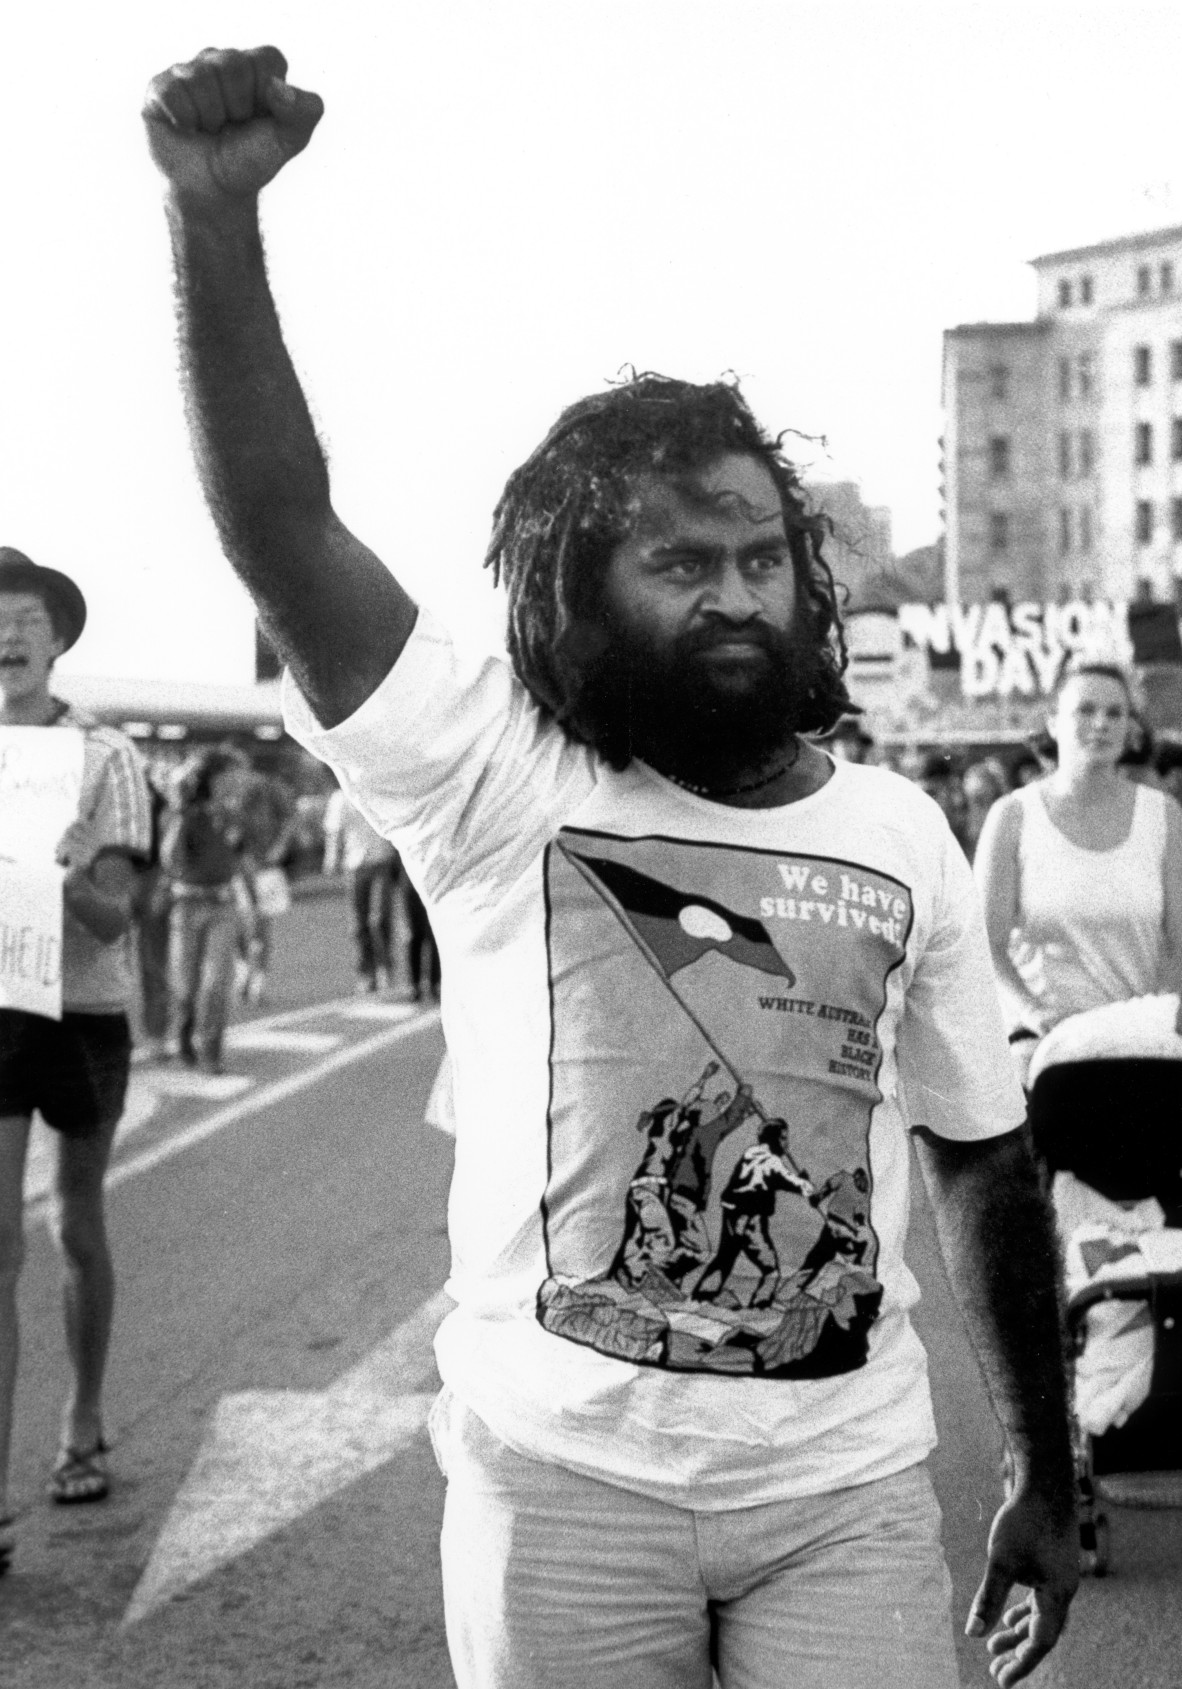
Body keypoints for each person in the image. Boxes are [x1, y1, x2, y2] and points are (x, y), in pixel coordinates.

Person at [143, 48, 1079, 1687]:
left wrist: (1042, 1469)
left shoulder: (896, 829)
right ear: (581, 588)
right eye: (675, 560)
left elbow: (982, 1164)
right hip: (557, 1490)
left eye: (757, 557)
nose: (731, 594)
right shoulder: (495, 770)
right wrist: (210, 228)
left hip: (844, 1499)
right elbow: (283, 532)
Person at [0, 548, 152, 1570]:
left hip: (84, 1011)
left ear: (57, 636)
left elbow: (117, 915)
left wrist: (56, 866)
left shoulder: (106, 756)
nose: (7, 634)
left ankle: (84, 1418)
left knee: (78, 1229)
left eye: (24, 617)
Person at [975, 663, 1182, 1062]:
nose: (1101, 724)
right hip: (1040, 1043)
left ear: (1130, 728)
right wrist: (1034, 1013)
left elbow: (1180, 941)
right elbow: (985, 944)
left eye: (1115, 713)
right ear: (1053, 723)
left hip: (1135, 1041)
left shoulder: (1165, 816)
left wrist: (1157, 1015)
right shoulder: (1013, 815)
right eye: (1085, 710)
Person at [159, 746, 248, 1072]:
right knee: (185, 985)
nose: (235, 784)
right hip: (187, 905)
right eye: (229, 777)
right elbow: (171, 860)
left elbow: (238, 857)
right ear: (209, 778)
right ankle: (184, 1038)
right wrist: (184, 814)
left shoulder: (232, 814)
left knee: (216, 982)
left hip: (223, 905)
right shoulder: (184, 815)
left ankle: (211, 1052)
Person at [322, 782, 401, 993]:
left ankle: (385, 967)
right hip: (355, 864)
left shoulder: (378, 790)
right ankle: (366, 971)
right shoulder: (341, 798)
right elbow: (334, 831)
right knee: (359, 923)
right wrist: (331, 857)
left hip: (380, 862)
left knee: (379, 918)